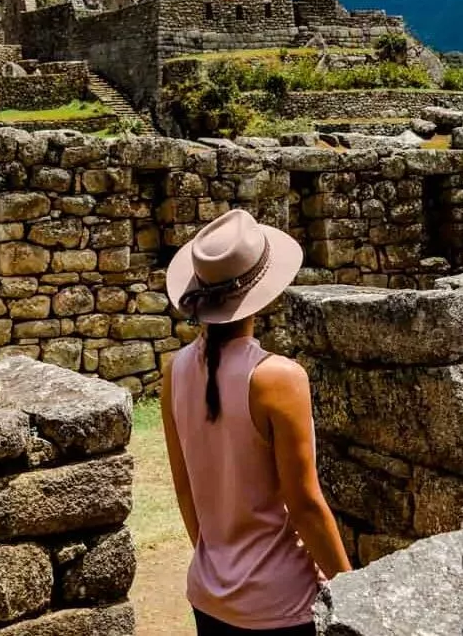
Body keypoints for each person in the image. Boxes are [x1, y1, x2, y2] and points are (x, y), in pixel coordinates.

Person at [161, 208, 351, 635]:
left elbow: (185, 487)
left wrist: (222, 568)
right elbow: (304, 504)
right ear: (263, 291)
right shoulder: (277, 378)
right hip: (281, 603)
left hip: (210, 594)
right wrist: (353, 589)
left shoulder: (174, 372)